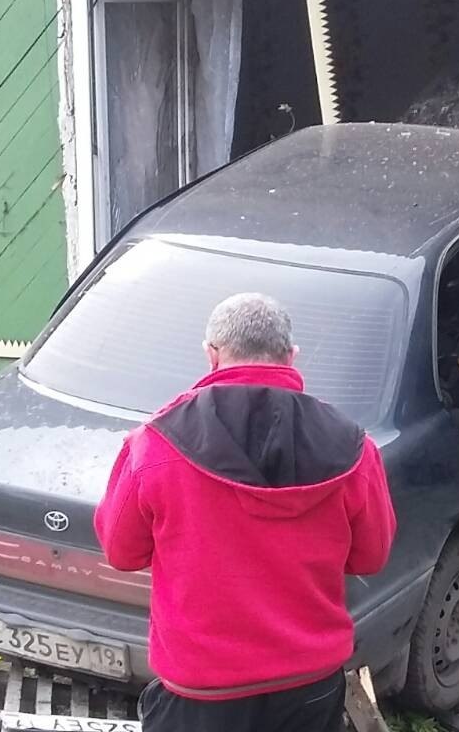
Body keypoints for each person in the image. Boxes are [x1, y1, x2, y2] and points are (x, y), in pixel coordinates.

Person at [94, 292, 397, 732]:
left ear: (211, 355)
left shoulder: (155, 443)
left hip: (200, 694)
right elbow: (371, 556)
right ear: (292, 357)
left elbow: (120, 552)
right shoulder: (352, 446)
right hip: (308, 686)